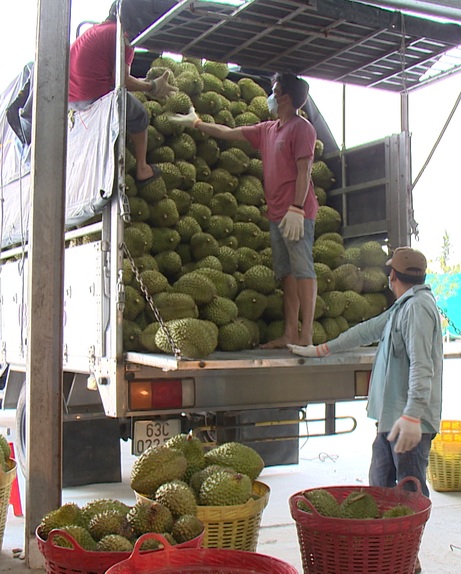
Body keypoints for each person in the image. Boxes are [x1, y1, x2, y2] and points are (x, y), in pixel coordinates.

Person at [170, 74, 318, 348]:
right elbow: (229, 133)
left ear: (285, 97)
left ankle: (306, 336)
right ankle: (289, 334)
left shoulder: (302, 128)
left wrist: (297, 208)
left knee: (303, 270)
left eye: (274, 91)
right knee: (287, 275)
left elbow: (304, 170)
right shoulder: (268, 129)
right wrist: (197, 122)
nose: (270, 97)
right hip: (276, 214)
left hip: (297, 213)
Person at [286, 247, 442, 497]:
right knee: (379, 489)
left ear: (393, 276)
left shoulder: (417, 309)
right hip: (391, 419)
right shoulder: (403, 307)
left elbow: (422, 366)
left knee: (409, 495)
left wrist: (413, 416)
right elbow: (366, 331)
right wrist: (322, 349)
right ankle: (387, 537)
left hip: (410, 423)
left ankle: (408, 537)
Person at [69, 0, 178, 184]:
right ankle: (142, 169)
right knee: (140, 115)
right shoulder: (122, 38)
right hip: (93, 95)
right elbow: (122, 80)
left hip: (73, 98)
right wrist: (151, 87)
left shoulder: (98, 30)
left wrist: (147, 83)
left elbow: (116, 77)